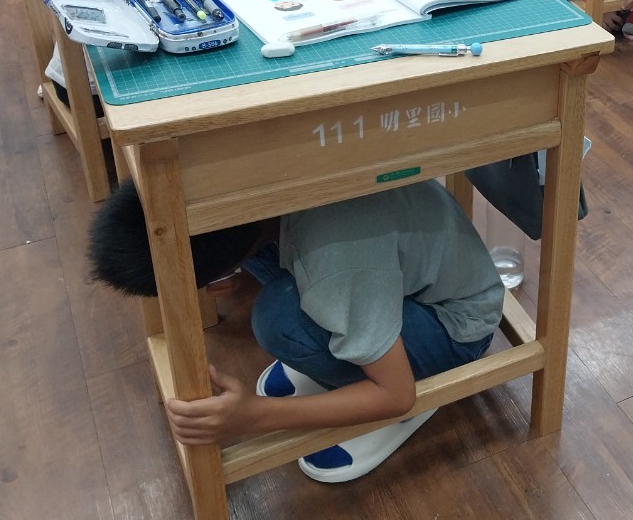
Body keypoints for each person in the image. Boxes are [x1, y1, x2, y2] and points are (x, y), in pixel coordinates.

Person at [88, 180, 504, 483]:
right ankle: (361, 341)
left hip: (455, 326)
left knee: (278, 320)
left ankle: (387, 376)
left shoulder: (334, 255)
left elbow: (397, 395)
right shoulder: (262, 185)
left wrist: (253, 416)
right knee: (275, 275)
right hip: (405, 270)